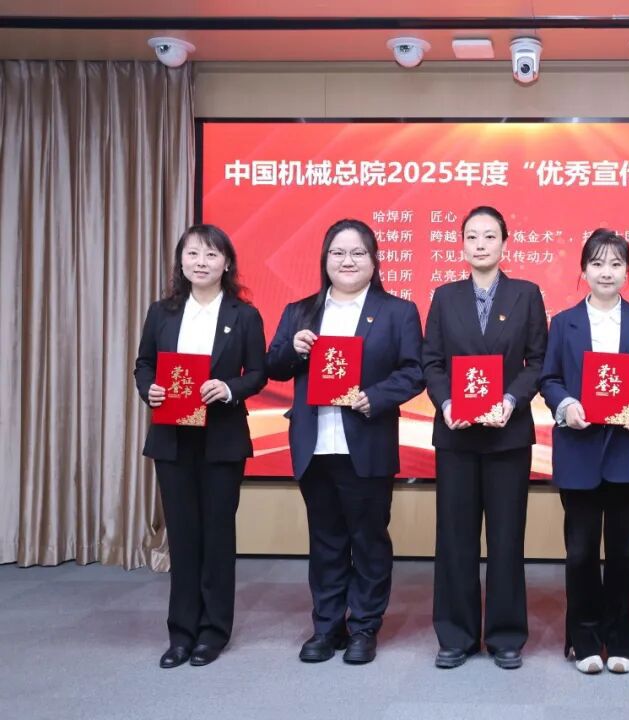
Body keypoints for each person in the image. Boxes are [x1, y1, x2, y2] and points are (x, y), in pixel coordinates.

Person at [265, 218, 424, 665]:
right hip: (314, 444)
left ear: (374, 261)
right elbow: (271, 366)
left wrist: (376, 397)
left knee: (368, 540)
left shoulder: (397, 312)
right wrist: (293, 348)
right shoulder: (300, 312)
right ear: (325, 259)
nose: (347, 261)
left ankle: (364, 627)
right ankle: (327, 626)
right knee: (326, 541)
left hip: (367, 441)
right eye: (338, 252)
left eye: (358, 253)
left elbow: (414, 371)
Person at [134, 224, 268, 668]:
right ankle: (181, 633)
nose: (201, 262)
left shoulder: (244, 315)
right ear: (181, 261)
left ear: (226, 263)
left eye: (211, 255)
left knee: (217, 535)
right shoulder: (162, 312)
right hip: (172, 439)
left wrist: (228, 389)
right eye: (193, 254)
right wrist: (150, 389)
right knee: (183, 535)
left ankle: (213, 632)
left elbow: (258, 373)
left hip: (221, 439)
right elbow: (144, 364)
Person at [539, 229, 629, 675]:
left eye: (616, 264)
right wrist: (566, 405)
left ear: (627, 271)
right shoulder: (564, 323)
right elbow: (549, 379)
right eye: (597, 263)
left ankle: (621, 641)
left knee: (624, 554)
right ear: (583, 270)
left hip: (627, 454)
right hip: (579, 452)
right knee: (579, 553)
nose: (606, 272)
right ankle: (583, 640)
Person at [422, 206, 548, 670]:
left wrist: (511, 400)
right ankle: (455, 635)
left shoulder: (526, 294)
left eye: (489, 236)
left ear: (504, 244)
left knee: (506, 537)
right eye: (472, 236)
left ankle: (505, 634)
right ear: (461, 245)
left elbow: (538, 361)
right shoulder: (444, 296)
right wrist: (446, 403)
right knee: (455, 537)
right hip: (456, 435)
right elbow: (431, 361)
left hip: (507, 436)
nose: (480, 244)